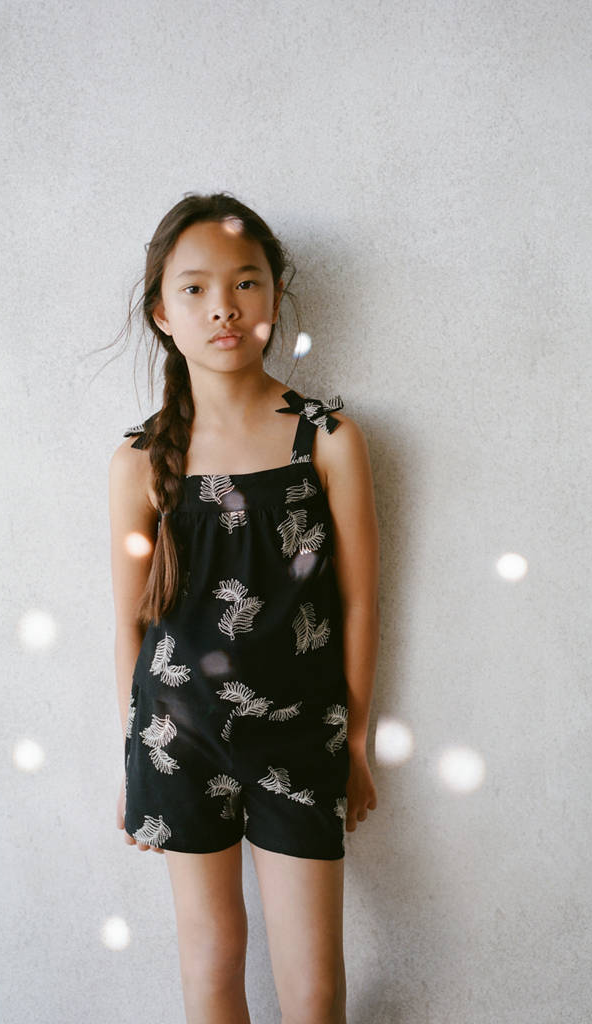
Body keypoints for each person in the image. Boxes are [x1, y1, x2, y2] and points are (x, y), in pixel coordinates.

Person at [108, 191, 380, 1024]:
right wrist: (135, 754)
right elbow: (129, 623)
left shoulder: (325, 438)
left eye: (245, 282)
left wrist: (355, 739)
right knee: (212, 961)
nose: (222, 306)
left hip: (301, 735)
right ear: (162, 313)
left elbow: (359, 599)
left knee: (314, 987)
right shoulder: (139, 459)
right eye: (194, 288)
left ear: (273, 295)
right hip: (178, 738)